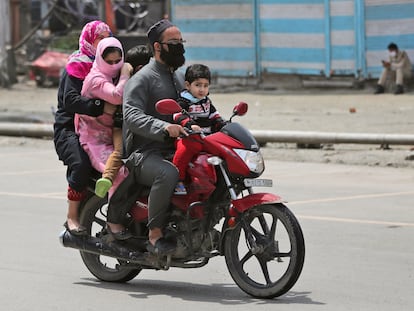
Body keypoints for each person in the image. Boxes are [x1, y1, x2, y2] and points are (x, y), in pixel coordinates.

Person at [106, 19, 187, 251]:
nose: (180, 46)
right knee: (167, 173)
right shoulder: (142, 79)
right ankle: (155, 234)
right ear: (158, 46)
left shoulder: (180, 78)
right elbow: (131, 116)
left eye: (181, 41)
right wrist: (162, 127)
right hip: (144, 152)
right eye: (174, 42)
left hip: (176, 147)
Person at [54, 20, 112, 236]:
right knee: (81, 163)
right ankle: (71, 217)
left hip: (99, 128)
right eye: (100, 38)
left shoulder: (109, 65)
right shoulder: (77, 65)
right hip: (69, 129)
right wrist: (100, 106)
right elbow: (71, 100)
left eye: (108, 37)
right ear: (89, 40)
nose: (105, 42)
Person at [172, 64, 226, 195]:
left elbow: (214, 115)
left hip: (206, 138)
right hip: (188, 137)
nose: (202, 89)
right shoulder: (184, 101)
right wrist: (189, 124)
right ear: (187, 85)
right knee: (185, 150)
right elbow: (177, 115)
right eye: (198, 85)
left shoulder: (206, 102)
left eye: (205, 85)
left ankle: (221, 183)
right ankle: (177, 179)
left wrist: (221, 123)